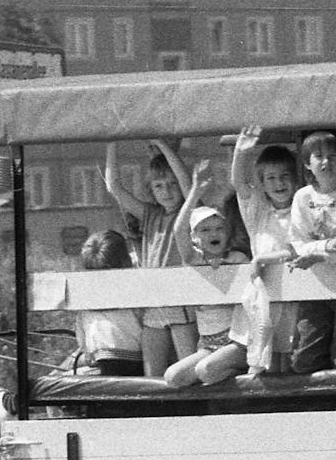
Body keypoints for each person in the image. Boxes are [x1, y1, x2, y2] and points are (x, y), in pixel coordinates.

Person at [105, 139, 194, 375]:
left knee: (187, 372)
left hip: (181, 302)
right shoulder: (150, 214)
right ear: (151, 190)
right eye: (159, 186)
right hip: (153, 304)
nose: (167, 192)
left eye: (172, 184)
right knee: (152, 375)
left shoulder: (192, 211)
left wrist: (162, 145)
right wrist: (112, 142)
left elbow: (188, 185)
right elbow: (114, 187)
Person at [166, 170, 256, 386]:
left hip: (237, 341)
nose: (213, 234)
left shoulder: (237, 258)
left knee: (206, 370)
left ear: (227, 233)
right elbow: (179, 231)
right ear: (195, 238)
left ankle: (244, 368)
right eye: (204, 230)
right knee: (173, 378)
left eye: (219, 228)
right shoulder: (195, 261)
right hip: (208, 344)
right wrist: (195, 191)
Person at [288, 129, 336, 372]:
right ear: (307, 164)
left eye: (333, 155)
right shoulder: (302, 197)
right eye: (318, 156)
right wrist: (325, 246)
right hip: (315, 290)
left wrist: (319, 255)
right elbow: (298, 243)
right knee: (304, 359)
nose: (326, 162)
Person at [228, 126, 299, 373]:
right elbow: (239, 183)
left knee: (286, 369)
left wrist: (263, 258)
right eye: (271, 178)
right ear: (263, 183)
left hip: (294, 300)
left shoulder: (303, 209)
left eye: (285, 176)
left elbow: (297, 248)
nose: (278, 183)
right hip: (263, 302)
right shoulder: (258, 212)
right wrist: (242, 152)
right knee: (258, 368)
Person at [70, 230, 149, 376]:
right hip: (138, 362)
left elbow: (85, 347)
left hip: (125, 366)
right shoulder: (138, 287)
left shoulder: (88, 300)